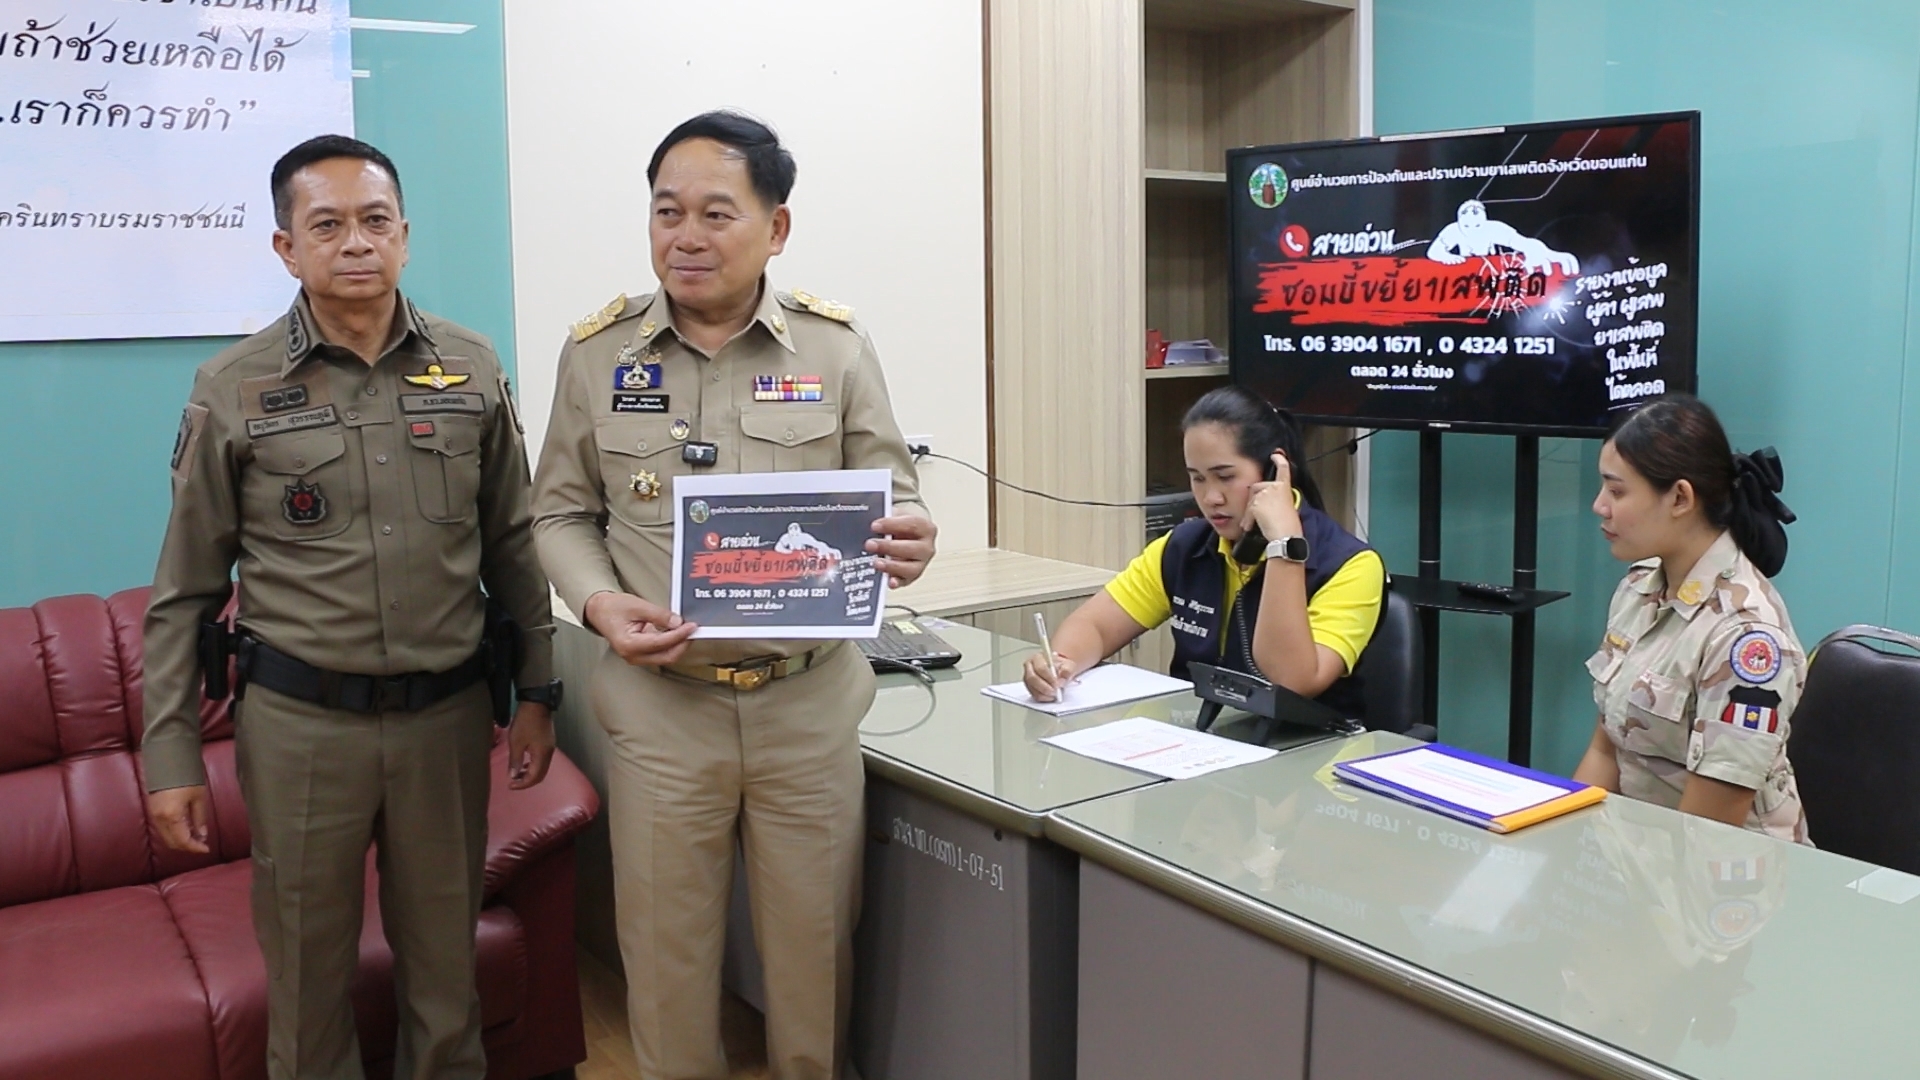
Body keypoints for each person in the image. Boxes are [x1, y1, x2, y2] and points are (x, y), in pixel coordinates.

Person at [143, 134, 561, 1080]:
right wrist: (169, 756)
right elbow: (186, 592)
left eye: (375, 221)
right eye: (326, 225)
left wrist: (540, 691)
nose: (356, 242)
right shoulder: (234, 386)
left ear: (405, 235)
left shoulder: (471, 364)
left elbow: (513, 544)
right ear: (286, 248)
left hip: (446, 724)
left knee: (447, 982)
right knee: (306, 985)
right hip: (300, 732)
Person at [530, 111, 937, 1080]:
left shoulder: (835, 349)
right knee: (666, 966)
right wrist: (598, 604)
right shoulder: (597, 353)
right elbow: (558, 513)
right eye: (666, 211)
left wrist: (912, 535)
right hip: (663, 708)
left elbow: (896, 494)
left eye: (716, 213)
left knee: (813, 961)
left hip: (807, 703)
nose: (686, 236)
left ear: (776, 228)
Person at [1023, 385, 1385, 720]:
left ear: (1274, 472)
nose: (1210, 497)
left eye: (1225, 477)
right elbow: (1095, 626)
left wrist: (1283, 545)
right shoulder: (1184, 546)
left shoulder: (1350, 565)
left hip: (1307, 750)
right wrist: (1060, 664)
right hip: (1202, 740)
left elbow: (1291, 683)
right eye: (1197, 478)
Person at [1572, 393, 1810, 843]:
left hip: (1725, 872)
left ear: (1680, 497)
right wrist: (1567, 847)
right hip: (1641, 855)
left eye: (1617, 491)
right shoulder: (1640, 586)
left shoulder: (1746, 638)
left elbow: (1706, 832)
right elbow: (1605, 752)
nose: (1600, 505)